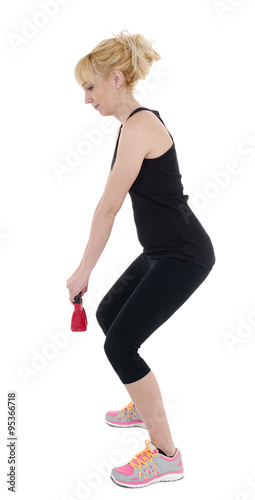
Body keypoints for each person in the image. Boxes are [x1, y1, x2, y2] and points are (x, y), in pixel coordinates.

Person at [66, 29, 216, 488]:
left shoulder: (140, 127)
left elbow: (108, 207)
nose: (86, 99)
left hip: (184, 255)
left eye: (90, 87)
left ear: (115, 79)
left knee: (119, 346)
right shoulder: (130, 126)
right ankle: (141, 400)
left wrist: (83, 270)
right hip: (160, 251)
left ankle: (166, 455)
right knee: (111, 315)